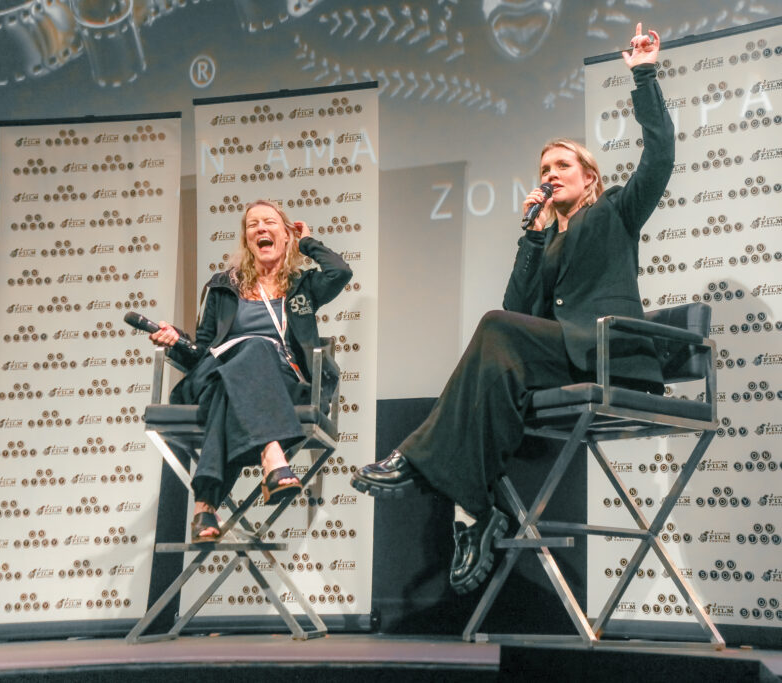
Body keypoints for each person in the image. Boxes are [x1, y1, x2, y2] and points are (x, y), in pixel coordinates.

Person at [351, 23, 674, 593]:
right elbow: (514, 309)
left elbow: (660, 153)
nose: (549, 176)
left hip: (604, 350)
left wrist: (644, 74)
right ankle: (474, 515)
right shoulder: (546, 240)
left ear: (590, 178)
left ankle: (423, 467)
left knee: (496, 339)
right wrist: (530, 238)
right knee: (496, 363)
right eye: (544, 170)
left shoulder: (618, 210)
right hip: (560, 355)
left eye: (561, 168)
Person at [149, 199, 353, 542]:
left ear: (285, 235)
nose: (261, 229)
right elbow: (202, 350)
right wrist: (176, 341)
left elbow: (340, 272)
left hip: (281, 383)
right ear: (246, 240)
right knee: (244, 357)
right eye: (252, 224)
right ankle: (271, 456)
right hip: (218, 370)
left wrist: (308, 242)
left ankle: (204, 507)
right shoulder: (221, 286)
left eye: (270, 222)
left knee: (235, 378)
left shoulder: (302, 286)